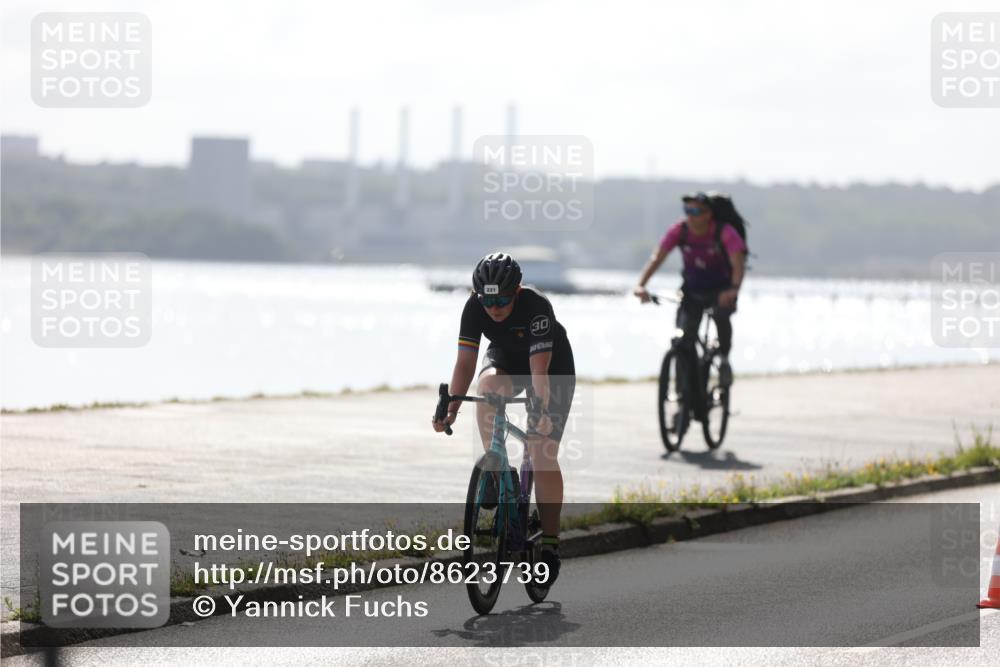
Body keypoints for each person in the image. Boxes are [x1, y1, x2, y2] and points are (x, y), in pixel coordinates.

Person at [432, 252, 575, 585]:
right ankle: (497, 467)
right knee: (487, 389)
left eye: (501, 300)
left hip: (551, 367)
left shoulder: (536, 307)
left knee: (542, 451)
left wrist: (541, 412)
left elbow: (539, 372)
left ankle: (550, 545)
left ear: (517, 290)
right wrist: (451, 408)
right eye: (487, 300)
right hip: (506, 358)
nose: (493, 308)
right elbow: (465, 364)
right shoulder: (473, 307)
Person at [633, 192, 747, 391]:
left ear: (709, 214)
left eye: (696, 211)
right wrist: (641, 285)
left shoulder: (724, 232)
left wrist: (734, 289)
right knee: (684, 337)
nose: (691, 216)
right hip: (692, 289)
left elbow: (738, 263)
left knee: (721, 316)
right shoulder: (680, 230)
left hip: (721, 289)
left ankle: (723, 360)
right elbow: (657, 258)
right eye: (687, 210)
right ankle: (683, 390)